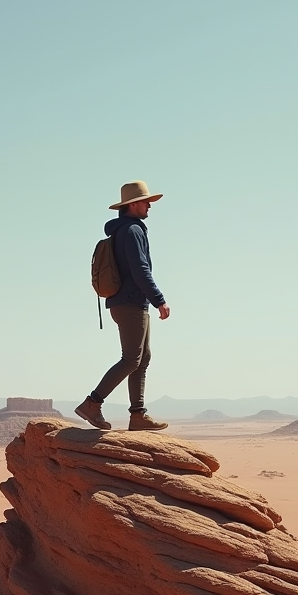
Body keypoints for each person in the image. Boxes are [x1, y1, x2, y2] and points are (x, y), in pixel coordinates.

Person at [76, 181, 171, 431]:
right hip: (130, 302)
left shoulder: (124, 230)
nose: (150, 205)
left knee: (142, 357)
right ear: (132, 205)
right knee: (131, 359)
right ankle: (92, 403)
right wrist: (159, 299)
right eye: (145, 201)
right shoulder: (132, 231)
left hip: (129, 302)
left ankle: (138, 415)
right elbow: (140, 270)